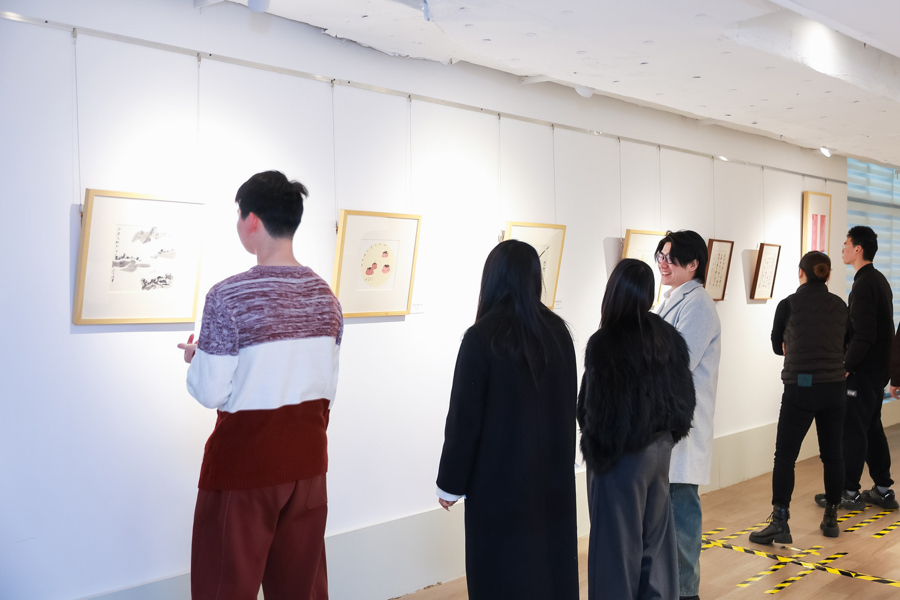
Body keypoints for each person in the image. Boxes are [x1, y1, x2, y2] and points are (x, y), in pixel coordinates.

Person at [177, 171, 343, 600]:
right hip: (308, 463)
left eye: (238, 215)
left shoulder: (228, 296)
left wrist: (198, 360)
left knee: (224, 588)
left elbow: (211, 391)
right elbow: (323, 382)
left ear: (252, 220)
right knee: (301, 590)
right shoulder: (326, 296)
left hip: (246, 464)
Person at [435, 240, 579, 600]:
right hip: (553, 481)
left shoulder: (482, 337)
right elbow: (567, 407)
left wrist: (450, 483)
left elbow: (464, 420)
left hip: (498, 488)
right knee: (550, 572)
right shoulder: (558, 333)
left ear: (492, 279)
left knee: (501, 577)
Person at [578, 259, 696, 600]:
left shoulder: (606, 342)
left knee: (615, 549)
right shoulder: (668, 336)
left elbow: (592, 408)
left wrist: (598, 447)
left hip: (620, 457)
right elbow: (685, 396)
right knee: (655, 546)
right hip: (659, 451)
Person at [749, 252, 848, 545]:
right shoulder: (840, 305)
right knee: (833, 454)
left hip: (800, 387)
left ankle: (780, 522)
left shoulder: (788, 304)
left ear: (800, 273)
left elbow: (775, 346)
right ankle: (831, 518)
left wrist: (791, 346)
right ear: (827, 275)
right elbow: (847, 342)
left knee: (785, 456)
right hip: (834, 387)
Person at [654, 230, 722, 600]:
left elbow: (678, 362)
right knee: (668, 513)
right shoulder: (671, 300)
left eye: (670, 257)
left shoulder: (698, 305)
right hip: (666, 425)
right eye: (660, 256)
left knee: (681, 514)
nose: (663, 263)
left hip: (684, 427)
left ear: (693, 263)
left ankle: (686, 592)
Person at [814, 226, 897, 510]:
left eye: (846, 244)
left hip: (863, 372)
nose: (843, 249)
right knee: (871, 427)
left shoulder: (863, 285)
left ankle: (848, 492)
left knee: (853, 430)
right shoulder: (878, 280)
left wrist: (847, 366)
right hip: (876, 371)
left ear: (858, 249)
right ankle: (883, 489)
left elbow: (864, 335)